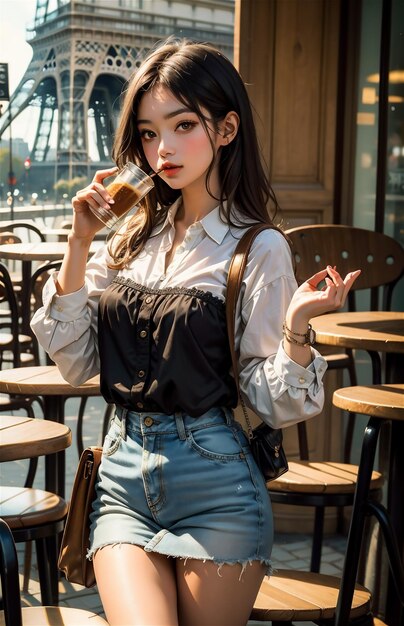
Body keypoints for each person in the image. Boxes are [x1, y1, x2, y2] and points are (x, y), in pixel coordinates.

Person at [31, 37, 360, 626]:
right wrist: (80, 243)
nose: (164, 149)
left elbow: (269, 400)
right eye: (150, 133)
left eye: (183, 125)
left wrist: (296, 330)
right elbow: (78, 362)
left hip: (219, 485)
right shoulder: (131, 240)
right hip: (122, 477)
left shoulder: (257, 248)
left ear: (227, 129)